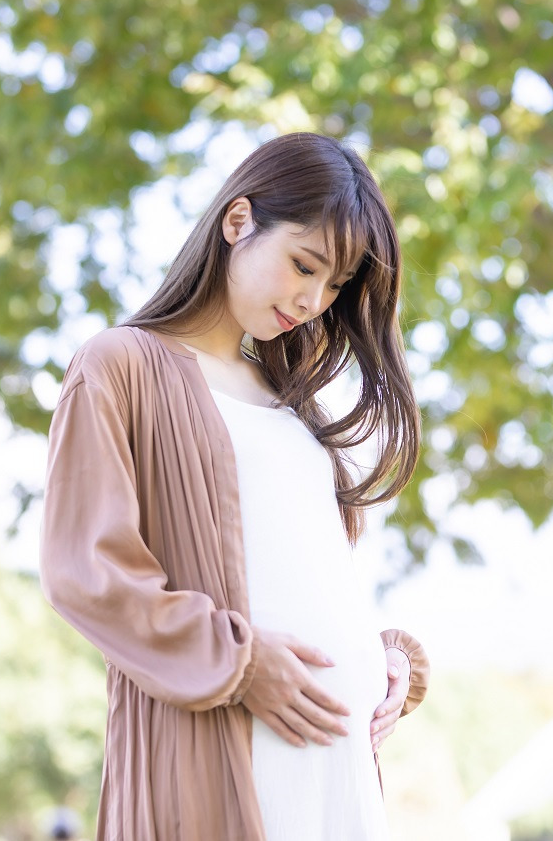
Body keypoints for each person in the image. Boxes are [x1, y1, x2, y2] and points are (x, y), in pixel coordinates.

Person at [39, 132, 430, 840]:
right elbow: (85, 572)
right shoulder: (121, 365)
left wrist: (386, 661)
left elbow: (301, 572)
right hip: (224, 751)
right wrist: (241, 663)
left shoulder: (294, 405)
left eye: (335, 285)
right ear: (238, 221)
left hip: (336, 770)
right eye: (303, 264)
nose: (313, 299)